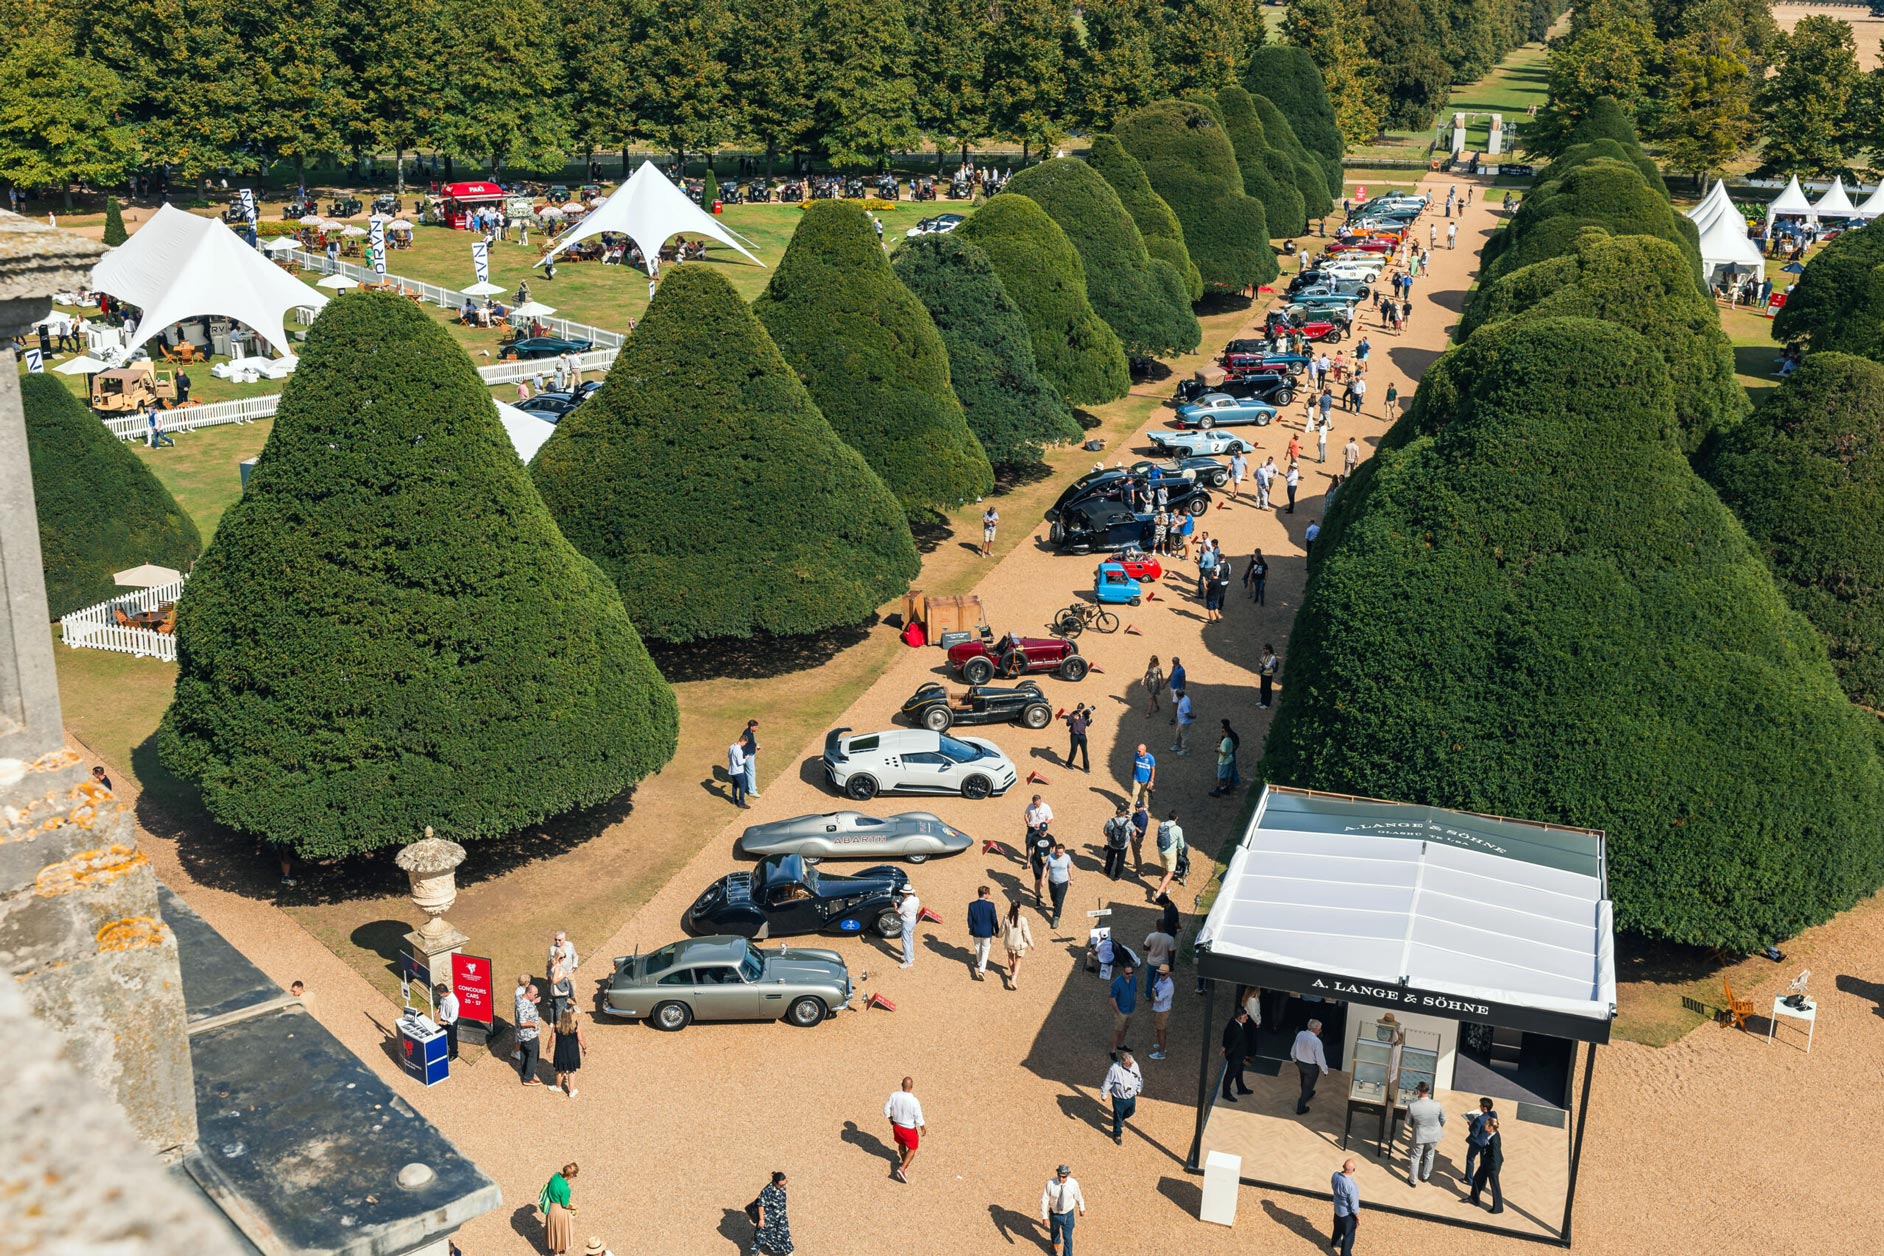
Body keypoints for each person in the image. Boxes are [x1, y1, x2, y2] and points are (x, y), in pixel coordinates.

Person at [884, 1077, 925, 1182]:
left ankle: (904, 1163)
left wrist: (890, 1118)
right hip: (909, 1129)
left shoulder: (894, 1095)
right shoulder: (914, 1101)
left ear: (902, 1084)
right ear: (911, 1087)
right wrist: (922, 1127)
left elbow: (886, 1108)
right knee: (912, 1148)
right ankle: (902, 1169)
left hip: (897, 1126)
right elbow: (918, 1116)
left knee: (901, 1144)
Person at [1405, 1080, 1445, 1187]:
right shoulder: (1437, 1105)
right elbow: (1443, 1119)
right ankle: (1425, 1176)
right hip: (1433, 1135)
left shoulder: (1412, 1106)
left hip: (1419, 1135)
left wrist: (1416, 1127)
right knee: (1430, 1155)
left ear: (1418, 1091)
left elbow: (1408, 1122)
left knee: (1415, 1157)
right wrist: (1436, 1128)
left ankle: (1413, 1180)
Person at [1101, 1047, 1143, 1144]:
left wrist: (1139, 1088)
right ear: (1123, 1062)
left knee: (1131, 1111)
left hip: (1131, 1096)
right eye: (1129, 1064)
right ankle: (1117, 1134)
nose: (1131, 1065)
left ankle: (1121, 1119)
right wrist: (1104, 1094)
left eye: (1131, 1063)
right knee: (1118, 1116)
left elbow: (1139, 1078)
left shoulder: (1134, 1065)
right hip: (1118, 1098)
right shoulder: (1114, 1068)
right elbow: (1108, 1081)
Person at [1041, 1164, 1085, 1255]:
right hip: (1054, 1214)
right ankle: (1055, 1242)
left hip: (1068, 1215)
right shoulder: (1050, 1183)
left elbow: (1078, 1196)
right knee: (1054, 1231)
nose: (1061, 1179)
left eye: (1064, 1177)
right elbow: (1045, 1199)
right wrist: (1045, 1217)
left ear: (1067, 1175)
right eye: (1059, 1176)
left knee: (1068, 1238)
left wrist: (1081, 1207)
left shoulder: (1073, 1184)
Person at [539, 1163, 578, 1255]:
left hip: (551, 1208)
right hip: (560, 1211)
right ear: (571, 1175)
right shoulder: (565, 1189)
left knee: (554, 1230)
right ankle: (557, 1251)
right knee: (560, 1231)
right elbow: (565, 1204)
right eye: (574, 1175)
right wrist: (573, 1207)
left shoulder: (555, 1176)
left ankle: (554, 1249)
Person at [1292, 1019, 1330, 1113]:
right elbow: (1320, 1059)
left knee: (1303, 1081)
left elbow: (1294, 1048)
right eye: (1320, 1029)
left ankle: (1307, 1094)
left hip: (1300, 1063)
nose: (1320, 1031)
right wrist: (1325, 1070)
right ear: (1315, 1030)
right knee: (1308, 1086)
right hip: (1311, 1068)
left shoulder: (1300, 1034)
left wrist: (1294, 1059)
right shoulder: (1317, 1042)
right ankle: (1301, 1107)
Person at [1469, 1116, 1504, 1213]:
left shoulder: (1494, 1140)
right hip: (1487, 1162)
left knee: (1494, 1186)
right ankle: (1474, 1199)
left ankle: (1498, 1208)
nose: (1485, 1126)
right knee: (1477, 1179)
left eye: (1486, 1125)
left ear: (1491, 1127)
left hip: (1492, 1165)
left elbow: (1495, 1155)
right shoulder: (1493, 1133)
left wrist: (1492, 1168)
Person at [753, 1171, 792, 1254]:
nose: (783, 1186)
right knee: (759, 1238)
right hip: (769, 1219)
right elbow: (760, 1205)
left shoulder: (782, 1185)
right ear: (775, 1183)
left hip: (781, 1218)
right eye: (781, 1185)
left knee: (785, 1236)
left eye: (785, 1183)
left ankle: (788, 1252)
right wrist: (761, 1219)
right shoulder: (767, 1191)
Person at [1463, 1097, 1499, 1186]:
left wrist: (1471, 1125)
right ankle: (1482, 1183)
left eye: (1481, 1106)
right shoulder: (1494, 1114)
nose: (1480, 1107)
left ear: (1485, 1108)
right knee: (1483, 1162)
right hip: (1487, 1142)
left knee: (1470, 1159)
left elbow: (1474, 1134)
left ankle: (1468, 1179)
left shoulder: (1479, 1120)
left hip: (1477, 1143)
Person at [1025, 794, 1054, 900]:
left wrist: (1042, 824)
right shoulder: (1030, 806)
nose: (1035, 805)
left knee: (1043, 876)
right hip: (1031, 830)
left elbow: (1051, 819)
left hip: (1045, 859)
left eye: (1036, 804)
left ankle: (1039, 888)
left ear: (1040, 801)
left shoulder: (1046, 807)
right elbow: (1026, 814)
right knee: (1029, 844)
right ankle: (1037, 893)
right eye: (1034, 804)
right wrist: (1027, 821)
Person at [515, 979, 544, 1085]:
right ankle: (528, 1078)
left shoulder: (521, 999)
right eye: (535, 995)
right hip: (529, 1035)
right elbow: (522, 1022)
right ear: (528, 993)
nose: (536, 996)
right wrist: (533, 1024)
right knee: (533, 1056)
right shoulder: (523, 1005)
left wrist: (533, 1002)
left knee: (524, 1053)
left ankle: (525, 1071)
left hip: (523, 1035)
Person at [1220, 1007, 1253, 1100]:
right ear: (1239, 1018)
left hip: (1239, 1056)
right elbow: (1233, 1045)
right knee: (1230, 1075)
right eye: (1245, 1017)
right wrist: (1228, 1053)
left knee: (1239, 1073)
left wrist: (1224, 1046)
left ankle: (1241, 1089)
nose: (1247, 1018)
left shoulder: (1232, 1020)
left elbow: (1226, 1033)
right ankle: (1226, 1094)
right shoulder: (1237, 1030)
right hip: (1235, 1057)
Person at [552, 1007, 585, 1098]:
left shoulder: (557, 1025)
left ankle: (558, 1087)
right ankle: (571, 1091)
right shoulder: (575, 1025)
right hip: (572, 1052)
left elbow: (552, 1039)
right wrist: (584, 1048)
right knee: (572, 1070)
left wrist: (548, 1047)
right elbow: (580, 1039)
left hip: (560, 1051)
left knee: (560, 1069)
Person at [1001, 899, 1035, 989]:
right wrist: (1031, 943)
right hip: (1019, 943)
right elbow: (1026, 932)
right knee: (1018, 959)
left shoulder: (1006, 918)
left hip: (1009, 943)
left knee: (1010, 958)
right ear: (1018, 908)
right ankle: (1014, 978)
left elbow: (1002, 930)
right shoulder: (1022, 919)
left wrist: (998, 935)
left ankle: (1013, 975)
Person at [967, 885, 999, 979]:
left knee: (977, 948)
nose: (989, 895)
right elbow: (994, 919)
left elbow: (969, 919)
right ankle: (981, 970)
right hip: (987, 932)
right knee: (985, 950)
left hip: (976, 930)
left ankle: (979, 962)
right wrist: (997, 930)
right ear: (985, 894)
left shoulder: (972, 905)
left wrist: (971, 927)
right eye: (988, 893)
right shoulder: (990, 905)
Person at [1331, 1158, 1360, 1256]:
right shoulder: (1352, 1186)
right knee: (1348, 1236)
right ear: (1353, 1170)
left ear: (1343, 1167)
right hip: (1347, 1214)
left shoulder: (1335, 1175)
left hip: (1337, 1209)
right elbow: (1354, 1204)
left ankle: (1335, 1242)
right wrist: (1358, 1217)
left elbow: (1333, 1186)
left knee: (1337, 1227)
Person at [1154, 811, 1186, 899]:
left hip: (1161, 851)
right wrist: (1179, 851)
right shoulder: (1178, 829)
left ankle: (1166, 889)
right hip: (1170, 853)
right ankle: (1158, 892)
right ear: (1176, 818)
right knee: (1170, 873)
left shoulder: (1162, 825)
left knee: (1165, 870)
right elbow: (1181, 845)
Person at [547, 932, 577, 1019]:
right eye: (555, 939)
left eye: (559, 940)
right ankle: (561, 1014)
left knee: (572, 990)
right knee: (559, 995)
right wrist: (548, 976)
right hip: (559, 976)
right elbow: (549, 964)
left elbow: (575, 956)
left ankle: (570, 1007)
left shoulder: (570, 945)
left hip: (569, 973)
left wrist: (574, 967)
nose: (557, 941)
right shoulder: (552, 949)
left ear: (564, 939)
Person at [1108, 963, 1137, 1053]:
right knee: (1117, 1031)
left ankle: (1120, 1044)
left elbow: (1134, 991)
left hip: (1130, 1010)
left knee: (1125, 1028)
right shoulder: (1117, 983)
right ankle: (1113, 1051)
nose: (1130, 975)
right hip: (1121, 1011)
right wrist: (1118, 1012)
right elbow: (1112, 998)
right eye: (1127, 973)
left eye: (1131, 973)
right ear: (1123, 973)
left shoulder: (1133, 979)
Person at [1148, 966, 1174, 1059]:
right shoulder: (1162, 980)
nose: (1161, 976)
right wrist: (1154, 992)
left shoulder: (1168, 986)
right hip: (1160, 1009)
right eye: (1160, 974)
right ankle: (1161, 1045)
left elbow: (1157, 999)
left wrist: (1154, 993)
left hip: (1162, 1010)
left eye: (1163, 974)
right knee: (1160, 1029)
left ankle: (1161, 1052)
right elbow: (1155, 988)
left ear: (1168, 974)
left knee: (1161, 1030)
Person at [1101, 802, 1132, 880]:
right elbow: (1134, 834)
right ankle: (1117, 876)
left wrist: (1110, 837)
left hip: (1112, 844)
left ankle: (1107, 871)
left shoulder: (1110, 821)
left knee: (1110, 858)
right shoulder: (1128, 823)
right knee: (1120, 861)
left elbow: (1105, 832)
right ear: (1124, 812)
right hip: (1123, 845)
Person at [1044, 842, 1072, 926]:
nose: (1059, 854)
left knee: (1059, 900)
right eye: (1057, 852)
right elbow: (1045, 868)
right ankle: (1056, 905)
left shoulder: (1067, 857)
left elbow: (1070, 867)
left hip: (1063, 882)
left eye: (1061, 853)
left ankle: (1056, 917)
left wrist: (1071, 878)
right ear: (1055, 850)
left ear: (1064, 851)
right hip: (1052, 881)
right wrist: (1042, 879)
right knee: (1053, 897)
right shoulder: (1050, 857)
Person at [1210, 720, 1239, 796]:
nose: (1222, 733)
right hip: (1229, 759)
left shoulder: (1225, 741)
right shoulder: (1230, 740)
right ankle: (1227, 787)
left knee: (1219, 775)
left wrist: (1218, 749)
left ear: (1226, 732)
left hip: (1223, 761)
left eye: (1223, 731)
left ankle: (1217, 789)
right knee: (1229, 774)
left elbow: (1224, 752)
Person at [433, 981, 460, 1060]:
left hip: (451, 1022)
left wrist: (445, 1022)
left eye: (439, 994)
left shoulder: (453, 1001)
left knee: (452, 1038)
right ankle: (443, 1048)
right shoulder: (444, 997)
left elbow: (454, 1016)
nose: (439, 995)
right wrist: (438, 1010)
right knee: (441, 1034)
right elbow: (442, 1004)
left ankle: (454, 1054)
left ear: (444, 993)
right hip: (444, 1018)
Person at [896, 886, 921, 968]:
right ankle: (910, 956)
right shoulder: (916, 899)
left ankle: (908, 962)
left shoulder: (905, 904)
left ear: (905, 893)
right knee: (910, 938)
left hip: (906, 922)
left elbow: (898, 912)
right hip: (913, 920)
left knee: (905, 941)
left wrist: (894, 904)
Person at [1063, 703, 1091, 772]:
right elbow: (1067, 724)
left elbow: (1087, 724)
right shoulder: (1073, 714)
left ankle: (1086, 768)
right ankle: (1068, 764)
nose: (1079, 711)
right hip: (1074, 735)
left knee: (1084, 752)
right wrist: (1073, 720)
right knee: (1073, 750)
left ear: (1083, 709)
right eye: (1078, 709)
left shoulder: (1085, 715)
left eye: (1081, 709)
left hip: (1083, 736)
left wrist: (1090, 719)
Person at [1129, 744, 1156, 809]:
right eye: (1137, 751)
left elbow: (1153, 769)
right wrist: (1132, 772)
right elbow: (1134, 763)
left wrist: (1151, 780)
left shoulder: (1150, 758)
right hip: (1136, 778)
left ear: (1144, 750)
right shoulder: (1136, 755)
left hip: (1146, 780)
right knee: (1134, 793)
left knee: (1144, 793)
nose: (1138, 752)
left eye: (1139, 751)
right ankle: (1131, 809)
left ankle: (1146, 806)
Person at [739, 719, 761, 799]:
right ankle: (752, 791)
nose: (757, 728)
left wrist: (756, 745)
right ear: (751, 727)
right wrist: (745, 755)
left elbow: (751, 742)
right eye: (756, 726)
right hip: (748, 755)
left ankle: (750, 786)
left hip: (750, 754)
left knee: (749, 771)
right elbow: (742, 745)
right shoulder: (747, 734)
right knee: (750, 772)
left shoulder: (750, 732)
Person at [1130, 799, 1151, 877]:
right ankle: (1136, 865)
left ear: (1142, 807)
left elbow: (1141, 831)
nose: (1137, 808)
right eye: (1136, 806)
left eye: (1138, 807)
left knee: (1137, 854)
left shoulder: (1143, 817)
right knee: (1135, 852)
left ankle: (1138, 870)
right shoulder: (1136, 814)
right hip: (1133, 835)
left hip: (1138, 837)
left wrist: (1133, 826)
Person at [727, 737, 749, 807]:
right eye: (745, 743)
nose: (745, 744)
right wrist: (745, 759)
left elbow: (729, 756)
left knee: (735, 785)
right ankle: (741, 802)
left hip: (732, 770)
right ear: (743, 741)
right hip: (738, 771)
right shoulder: (739, 750)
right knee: (742, 786)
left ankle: (734, 800)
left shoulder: (731, 746)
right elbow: (740, 762)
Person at [1171, 689, 1193, 755]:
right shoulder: (1184, 698)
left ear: (1178, 696)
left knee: (1184, 736)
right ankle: (1177, 745)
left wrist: (1193, 716)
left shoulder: (1184, 703)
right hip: (1181, 721)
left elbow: (1187, 713)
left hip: (1184, 722)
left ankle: (1185, 749)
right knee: (1178, 733)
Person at [1259, 644, 1280, 709]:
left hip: (1268, 675)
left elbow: (1268, 666)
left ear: (1269, 649)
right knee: (1263, 688)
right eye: (1264, 649)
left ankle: (1267, 704)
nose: (1264, 650)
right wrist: (1262, 664)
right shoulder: (1264, 656)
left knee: (1267, 689)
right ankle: (1262, 701)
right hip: (1263, 674)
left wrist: (1263, 665)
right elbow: (1260, 663)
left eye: (1266, 649)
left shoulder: (1272, 657)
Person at [1166, 656, 1186, 720]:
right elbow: (1171, 675)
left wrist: (1183, 688)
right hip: (1172, 687)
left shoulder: (1181, 670)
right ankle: (1179, 711)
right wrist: (1165, 683)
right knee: (1176, 702)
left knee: (1174, 702)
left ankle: (1173, 718)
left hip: (1177, 689)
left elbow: (1183, 680)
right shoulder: (1173, 667)